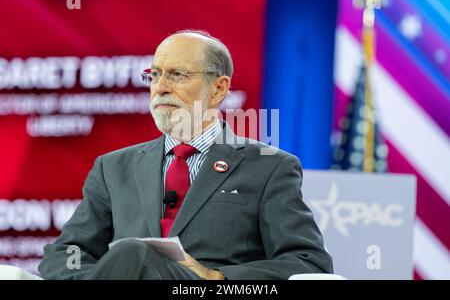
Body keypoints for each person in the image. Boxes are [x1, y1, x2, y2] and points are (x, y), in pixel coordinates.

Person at [38, 30, 333, 280]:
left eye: (177, 75)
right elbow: (64, 255)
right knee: (132, 255)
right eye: (154, 75)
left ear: (219, 88)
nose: (160, 88)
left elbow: (307, 261)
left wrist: (216, 277)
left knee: (135, 251)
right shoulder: (113, 168)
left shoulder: (269, 166)